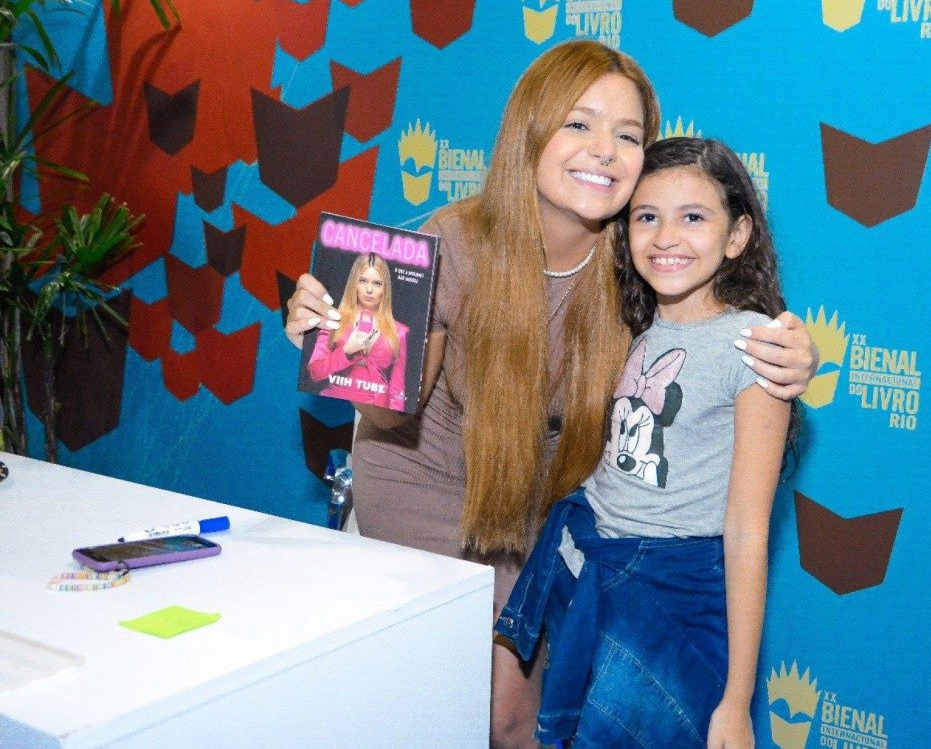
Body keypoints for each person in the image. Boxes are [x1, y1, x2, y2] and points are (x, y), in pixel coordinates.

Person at [284, 41, 816, 749]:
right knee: (457, 708)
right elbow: (389, 412)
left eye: (628, 135)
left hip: (550, 506)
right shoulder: (457, 241)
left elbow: (717, 342)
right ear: (530, 131)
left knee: (531, 717)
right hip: (429, 484)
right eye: (578, 124)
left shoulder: (640, 261)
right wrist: (333, 345)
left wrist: (789, 357)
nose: (603, 150)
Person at [496, 136, 794, 748]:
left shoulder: (758, 347)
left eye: (693, 217)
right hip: (589, 565)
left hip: (675, 589)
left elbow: (745, 527)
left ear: (737, 237)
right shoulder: (632, 326)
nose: (666, 237)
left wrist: (736, 702)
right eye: (647, 217)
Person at [306, 252, 407, 411]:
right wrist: (346, 351)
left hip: (377, 411)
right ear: (354, 283)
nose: (369, 289)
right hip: (335, 403)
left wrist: (389, 419)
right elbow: (315, 372)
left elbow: (397, 391)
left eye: (377, 283)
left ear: (385, 289)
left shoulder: (399, 332)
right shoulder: (334, 320)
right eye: (363, 280)